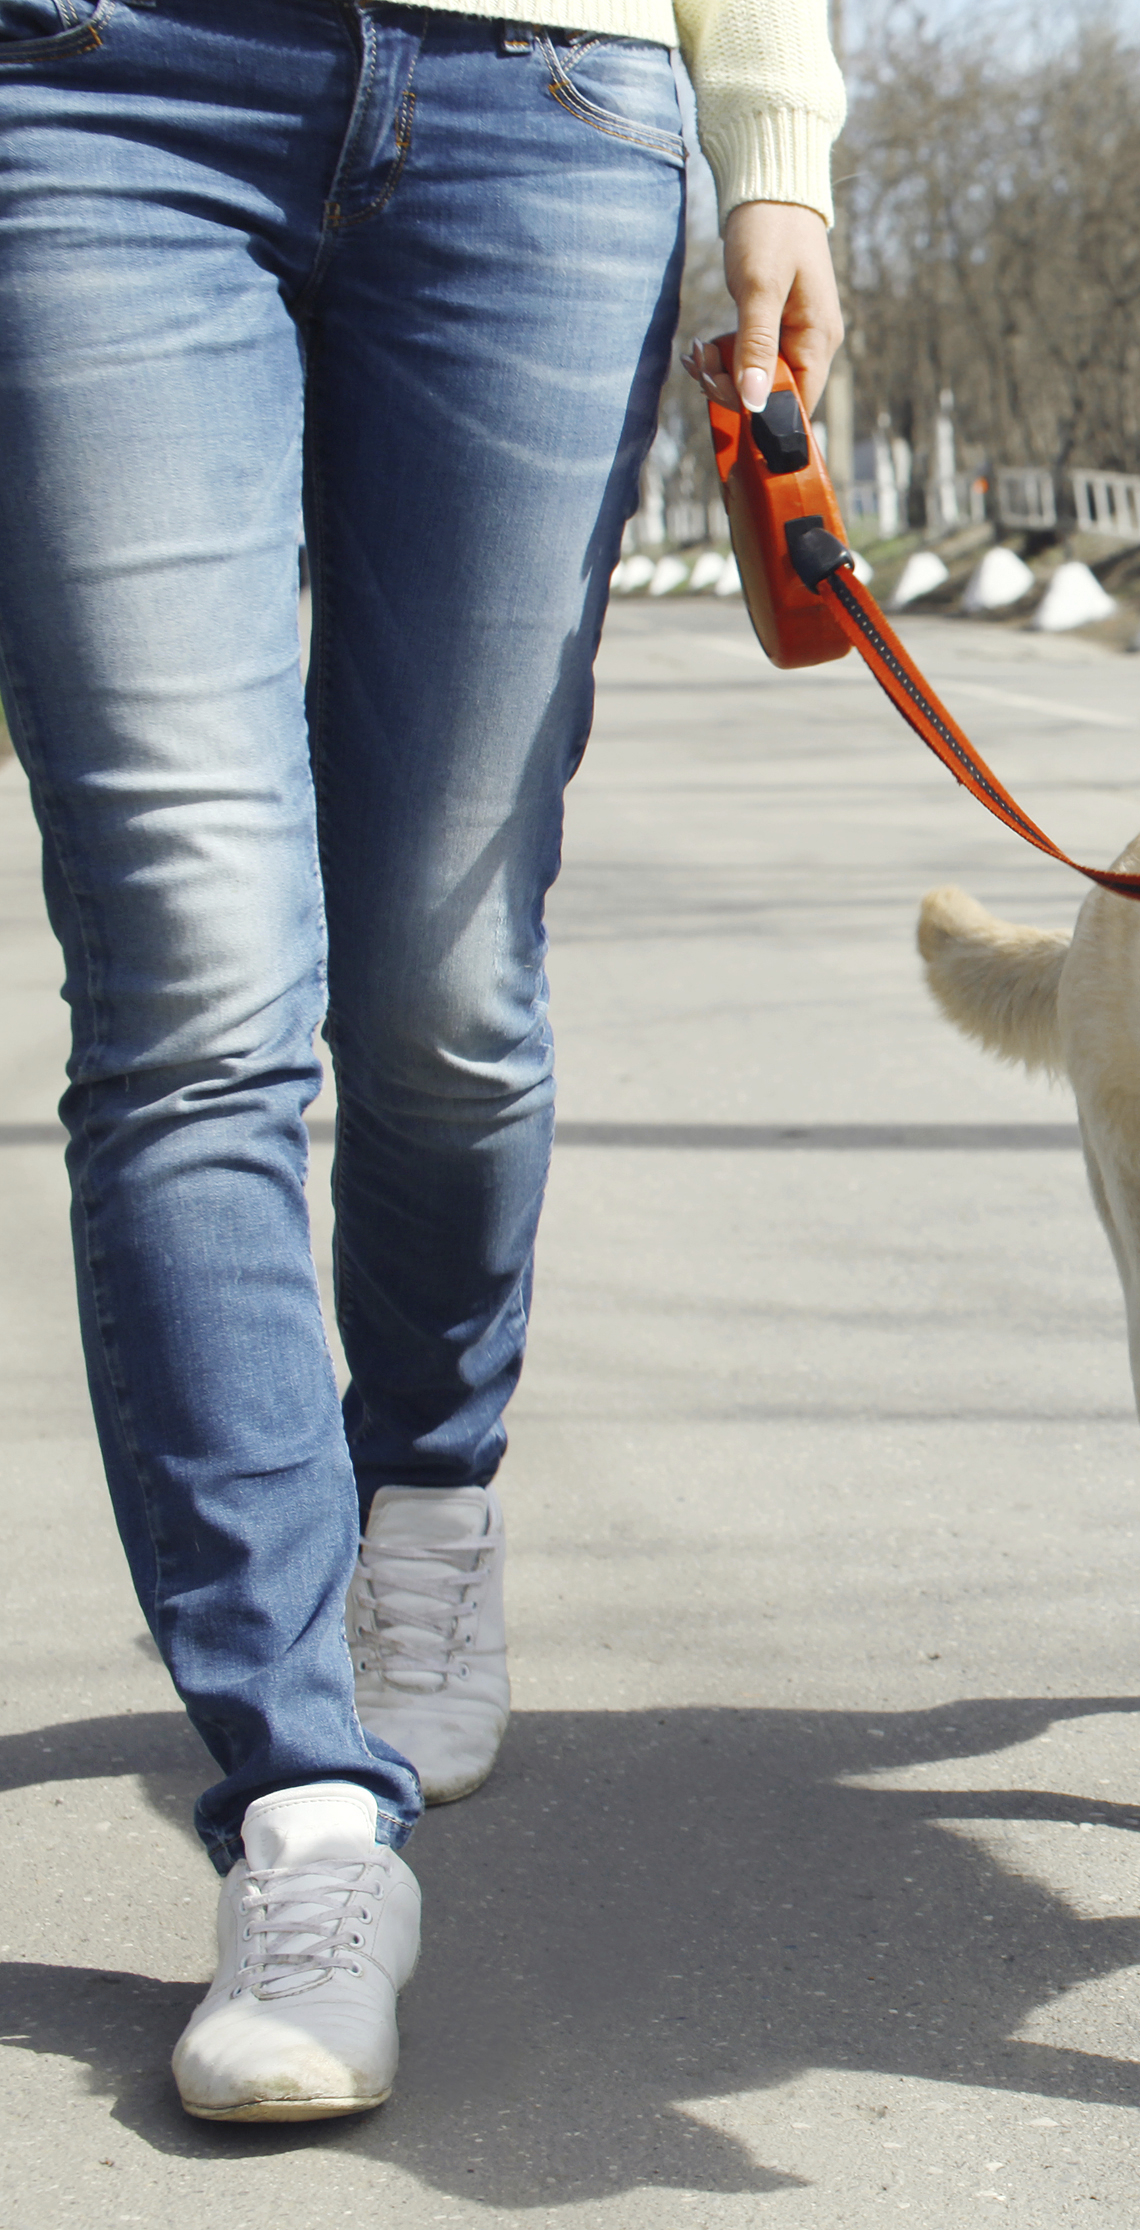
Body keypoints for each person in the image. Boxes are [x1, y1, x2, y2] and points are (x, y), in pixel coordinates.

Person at [0, 0, 844, 2121]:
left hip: (541, 99)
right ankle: (303, 1811)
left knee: (445, 984)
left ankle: (429, 1492)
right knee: (193, 981)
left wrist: (775, 146)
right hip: (89, 84)